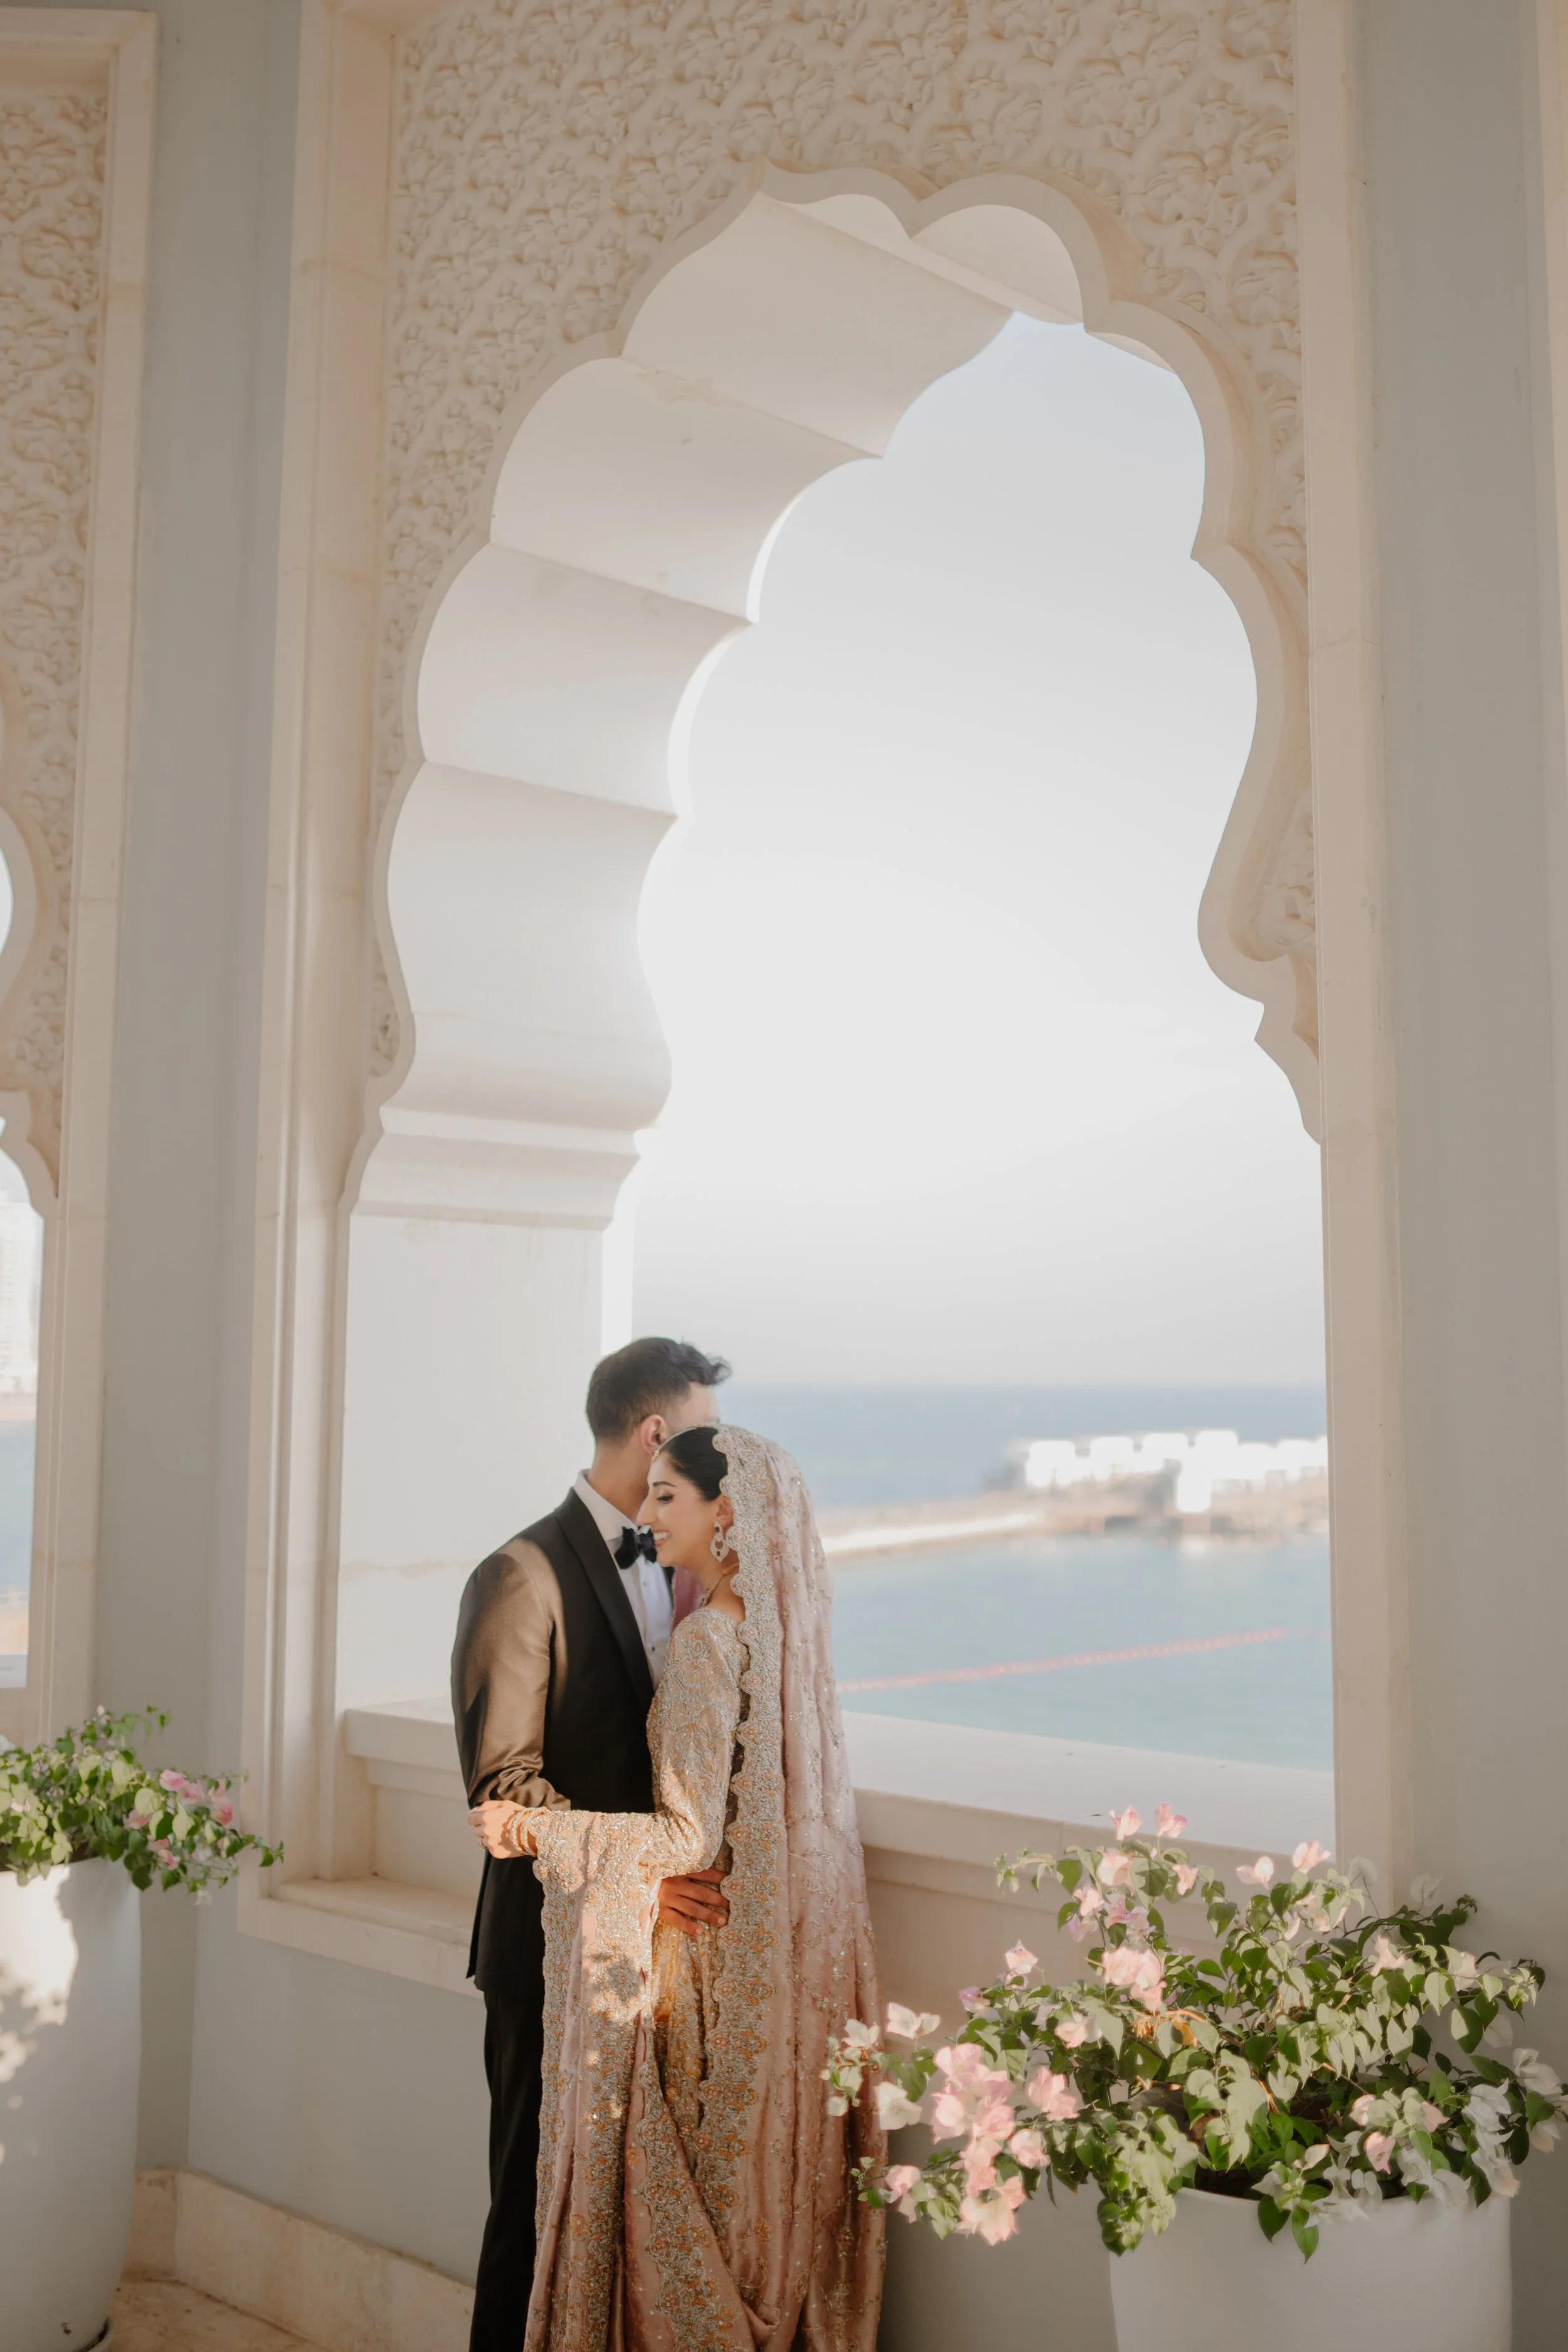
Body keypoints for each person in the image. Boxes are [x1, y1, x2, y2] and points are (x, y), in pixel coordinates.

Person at [469, 1422, 885, 2352]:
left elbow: (688, 1834)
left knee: (670, 2228)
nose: (648, 1513)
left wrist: (529, 1827)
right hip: (773, 1977)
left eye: (668, 1496)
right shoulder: (786, 1653)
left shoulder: (706, 1641)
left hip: (697, 1984)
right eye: (649, 1490)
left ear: (725, 1513)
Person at [452, 1338, 734, 2352]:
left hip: (652, 1963)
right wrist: (644, 1883)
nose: (725, 1453)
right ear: (659, 1432)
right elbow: (505, 1788)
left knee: (617, 2236)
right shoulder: (520, 1574)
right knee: (532, 2218)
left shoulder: (693, 1564)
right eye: (709, 1427)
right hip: (548, 1952)